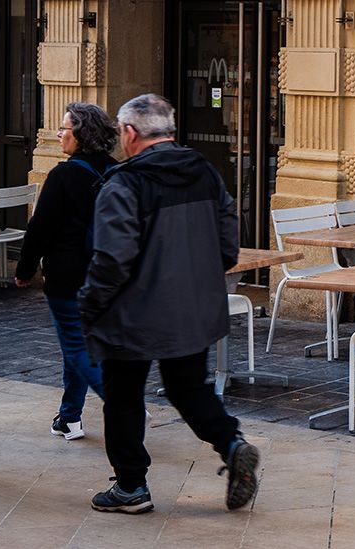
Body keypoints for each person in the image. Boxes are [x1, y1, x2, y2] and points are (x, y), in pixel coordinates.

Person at [79, 94, 260, 514]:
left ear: (129, 133)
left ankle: (130, 487)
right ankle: (232, 445)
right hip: (193, 308)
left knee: (123, 397)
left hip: (133, 313)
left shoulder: (123, 183)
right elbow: (228, 244)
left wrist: (90, 303)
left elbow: (111, 259)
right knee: (188, 388)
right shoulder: (205, 172)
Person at [13, 101, 119, 440]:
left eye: (64, 129)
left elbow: (40, 228)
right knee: (79, 344)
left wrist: (25, 269)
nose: (59, 135)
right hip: (108, 275)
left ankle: (122, 402)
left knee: (75, 345)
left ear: (81, 135)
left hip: (68, 276)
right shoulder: (117, 171)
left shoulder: (63, 175)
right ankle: (69, 416)